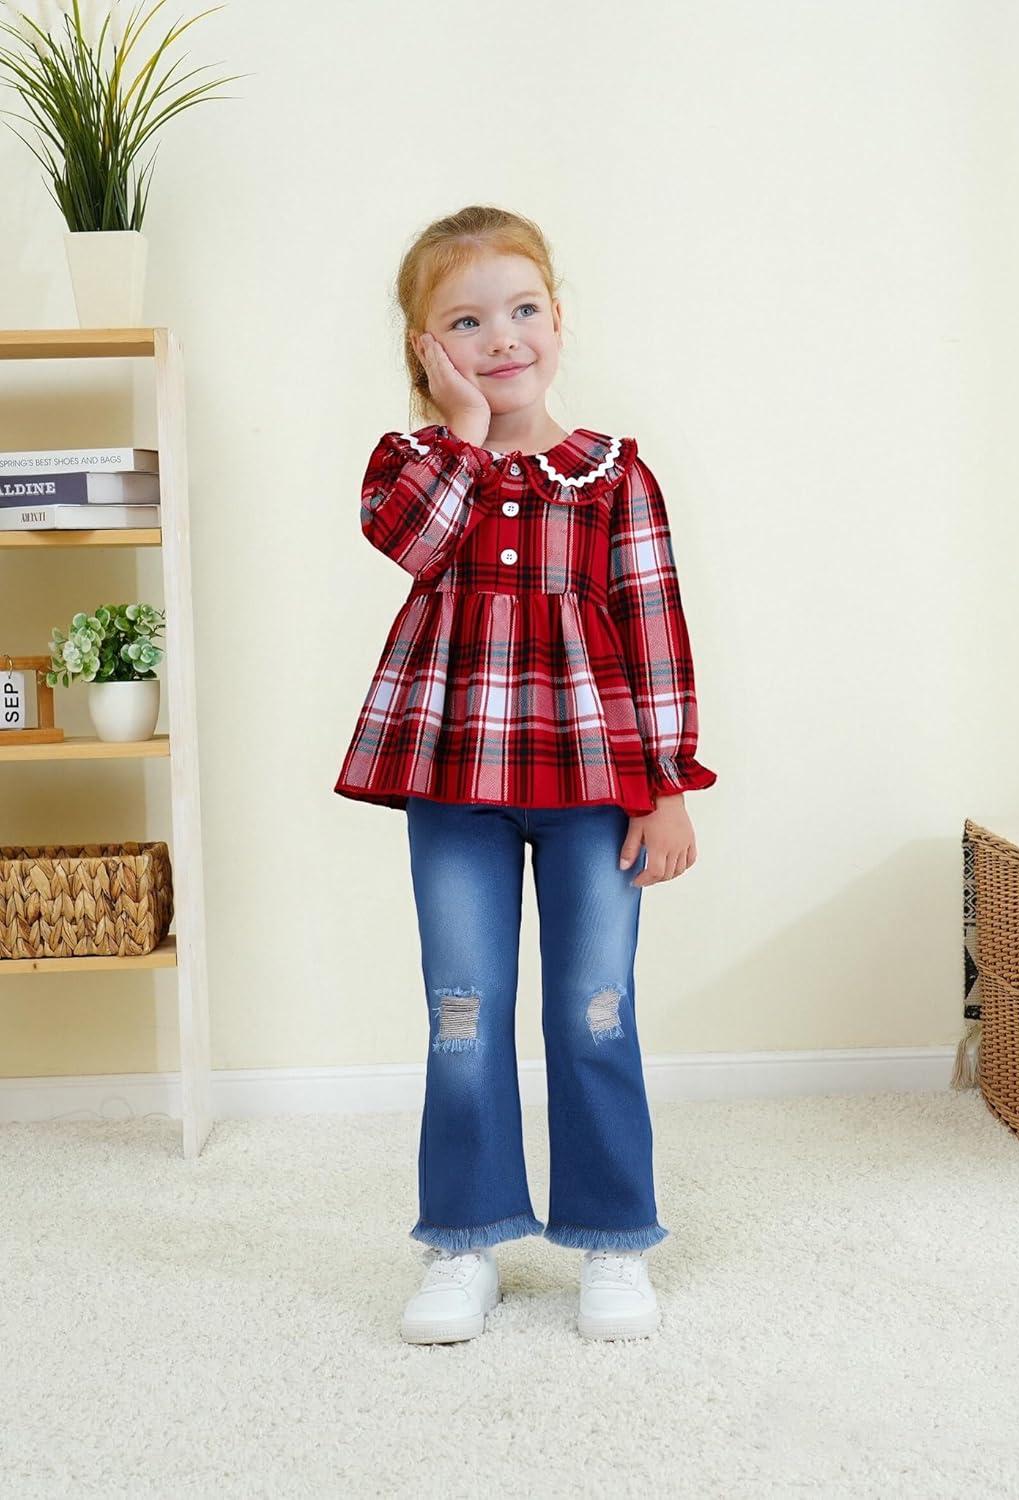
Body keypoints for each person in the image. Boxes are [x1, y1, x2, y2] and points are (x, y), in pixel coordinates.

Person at [334, 204, 718, 1344]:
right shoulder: (413, 467)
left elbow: (655, 631)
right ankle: (464, 1240)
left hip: (594, 788)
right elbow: (414, 544)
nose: (501, 338)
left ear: (558, 318)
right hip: (455, 786)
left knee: (595, 1012)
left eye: (522, 310)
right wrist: (460, 427)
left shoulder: (614, 476)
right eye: (465, 322)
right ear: (425, 348)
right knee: (462, 1012)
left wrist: (667, 785)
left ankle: (613, 1240)